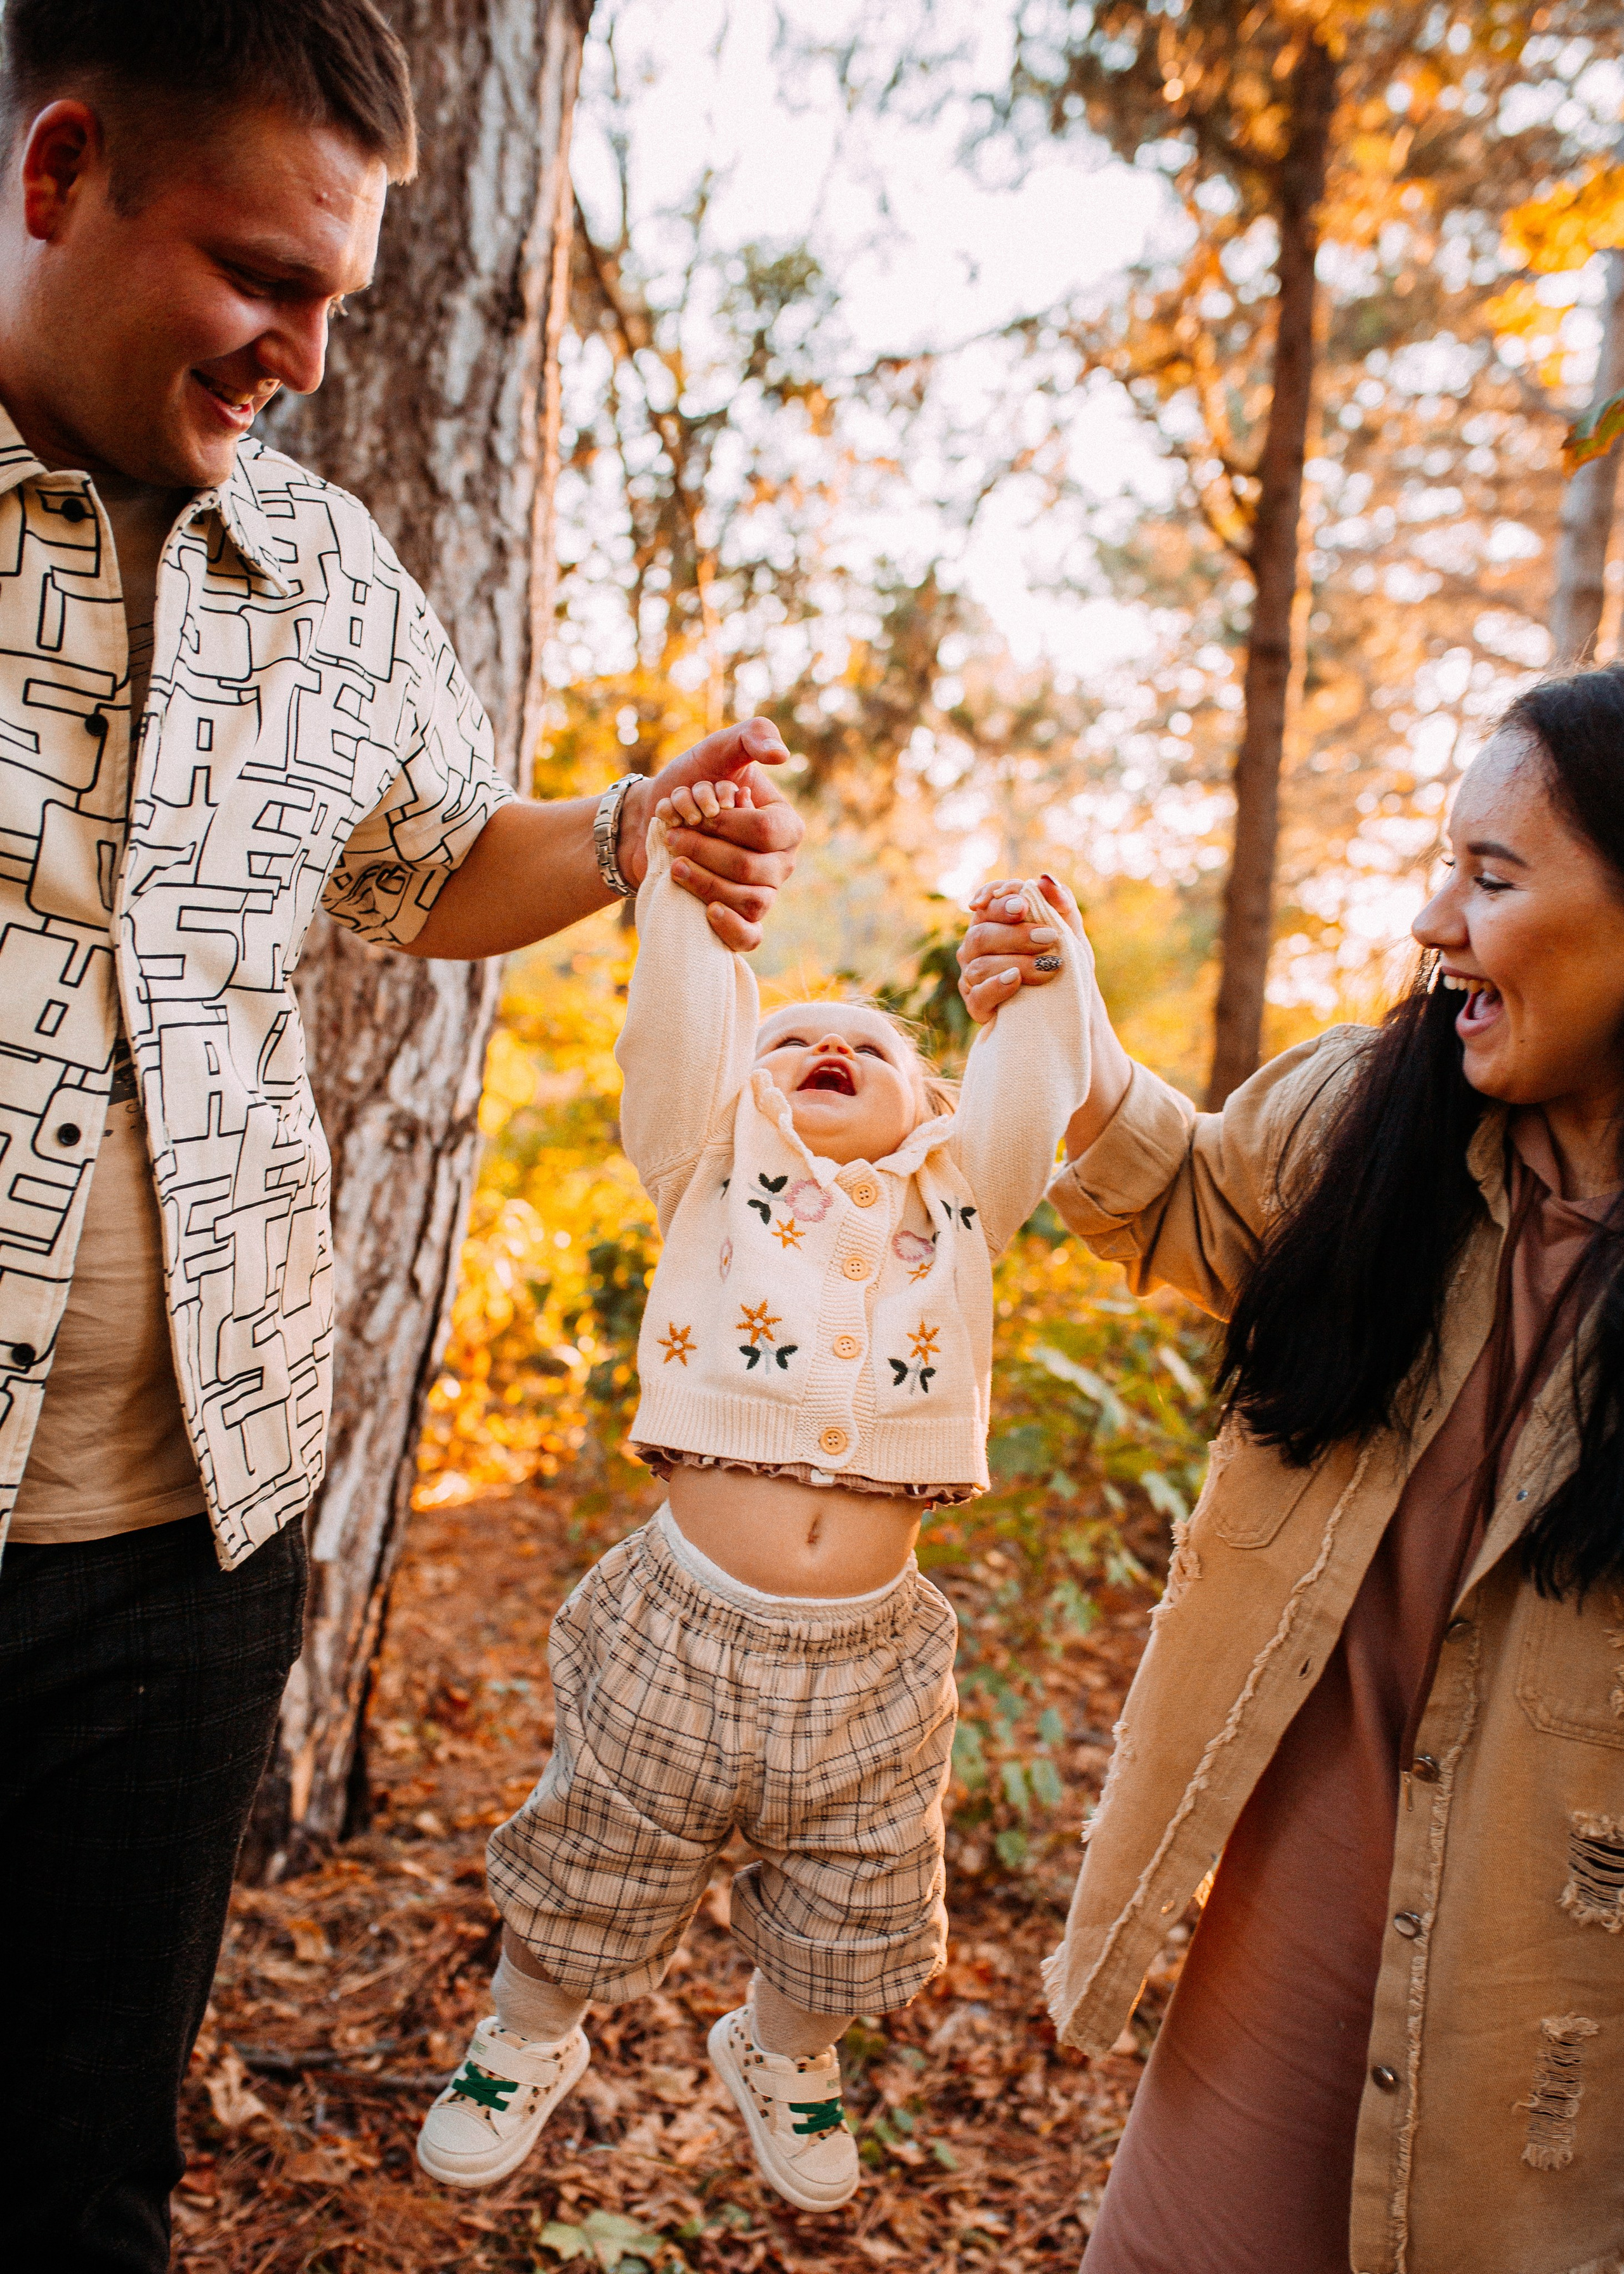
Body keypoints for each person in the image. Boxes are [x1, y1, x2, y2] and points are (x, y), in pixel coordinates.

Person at [0, 6, 802, 2267]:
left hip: (193, 1535)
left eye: (345, 297)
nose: (312, 357)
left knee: (77, 2171)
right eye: (265, 276)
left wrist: (627, 830)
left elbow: (431, 865)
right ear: (62, 175)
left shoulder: (329, 573)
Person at [956, 664, 1624, 2273]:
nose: (1429, 921)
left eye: (1489, 876)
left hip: (1547, 2041)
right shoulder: (1369, 1115)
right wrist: (1073, 1039)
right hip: (1284, 1954)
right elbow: (1191, 1199)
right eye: (1440, 863)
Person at [413, 782, 1092, 2207]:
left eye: (868, 1048)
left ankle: (784, 2049)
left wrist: (1047, 976)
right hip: (681, 1622)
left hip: (871, 1659)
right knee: (597, 1849)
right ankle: (524, 2032)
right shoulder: (711, 1167)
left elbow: (1033, 1091)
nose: (830, 1048)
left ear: (933, 1106)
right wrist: (686, 899)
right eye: (793, 1040)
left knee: (861, 1893)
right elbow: (680, 1031)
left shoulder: (960, 1204)